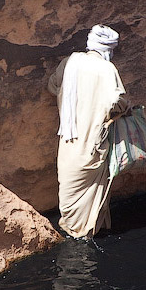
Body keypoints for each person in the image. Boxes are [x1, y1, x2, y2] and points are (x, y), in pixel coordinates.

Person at [46, 25, 128, 238]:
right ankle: (83, 235)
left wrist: (72, 100)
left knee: (68, 195)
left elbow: (52, 86)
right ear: (108, 49)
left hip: (68, 142)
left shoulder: (69, 63)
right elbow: (117, 101)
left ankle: (74, 236)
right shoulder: (106, 69)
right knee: (90, 196)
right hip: (91, 145)